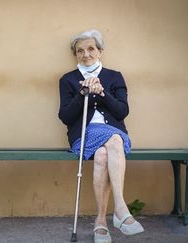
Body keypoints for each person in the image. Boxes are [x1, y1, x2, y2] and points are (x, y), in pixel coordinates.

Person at [58, 29, 144, 243]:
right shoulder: (68, 80)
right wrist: (83, 94)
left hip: (112, 134)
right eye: (80, 51)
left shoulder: (114, 77)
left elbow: (122, 112)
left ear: (100, 51)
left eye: (90, 49)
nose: (85, 54)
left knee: (103, 154)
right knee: (112, 143)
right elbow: (66, 117)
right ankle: (121, 211)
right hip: (83, 136)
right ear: (75, 54)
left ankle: (101, 222)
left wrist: (102, 93)